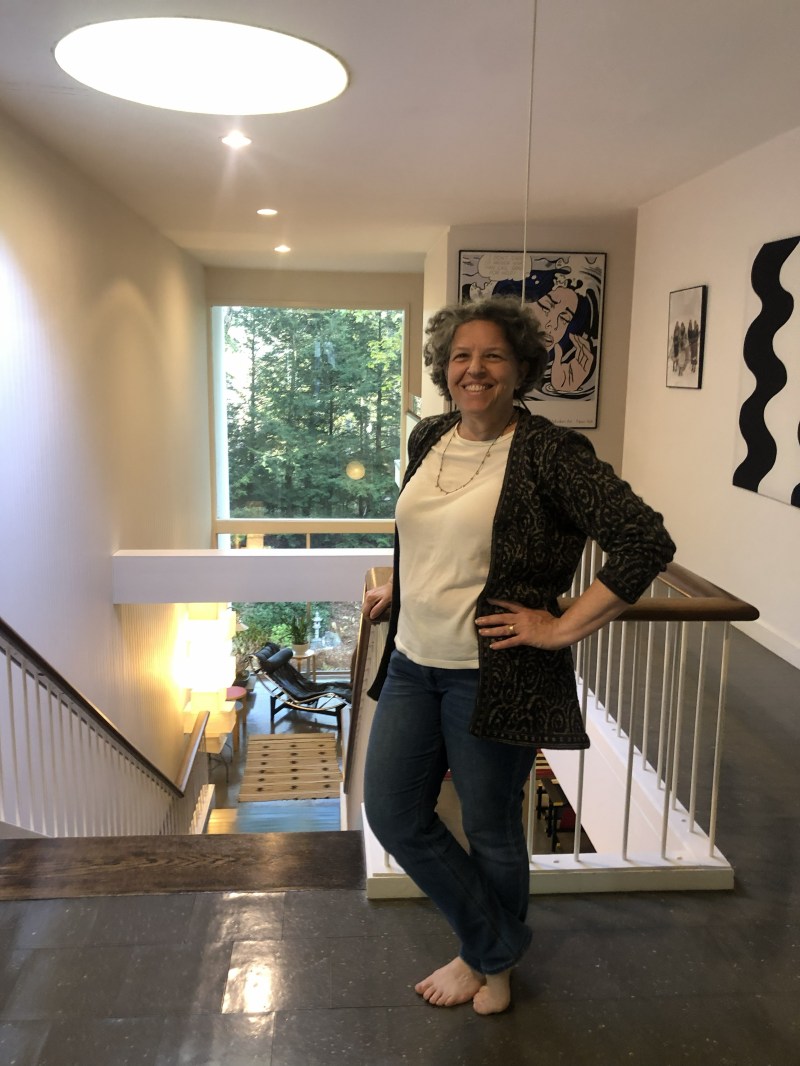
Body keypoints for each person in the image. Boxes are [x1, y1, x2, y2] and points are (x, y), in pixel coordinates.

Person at [362, 296, 675, 1016]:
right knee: (394, 813)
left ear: (522, 369)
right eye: (461, 356)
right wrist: (403, 592)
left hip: (492, 674)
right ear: (445, 368)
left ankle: (487, 965)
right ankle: (495, 945)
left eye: (493, 356)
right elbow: (428, 534)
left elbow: (644, 541)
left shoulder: (550, 454)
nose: (475, 369)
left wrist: (562, 629)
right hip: (413, 662)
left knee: (492, 827)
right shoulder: (430, 435)